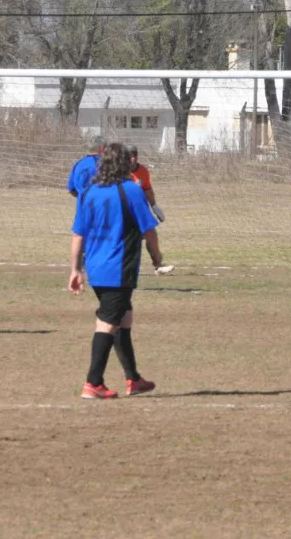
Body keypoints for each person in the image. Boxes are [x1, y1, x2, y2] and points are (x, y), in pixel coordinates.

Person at [69, 143, 166, 399]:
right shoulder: (131, 191)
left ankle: (133, 379)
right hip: (118, 268)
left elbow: (78, 235)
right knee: (108, 322)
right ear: (125, 163)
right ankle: (93, 382)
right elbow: (149, 231)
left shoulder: (88, 192)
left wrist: (76, 270)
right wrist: (157, 257)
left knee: (123, 318)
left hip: (96, 268)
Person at [126, 144, 174, 275]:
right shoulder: (120, 171)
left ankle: (158, 266)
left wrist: (154, 206)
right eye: (129, 156)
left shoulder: (143, 171)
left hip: (141, 211)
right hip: (125, 211)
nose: (132, 159)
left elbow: (147, 189)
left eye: (134, 156)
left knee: (150, 236)